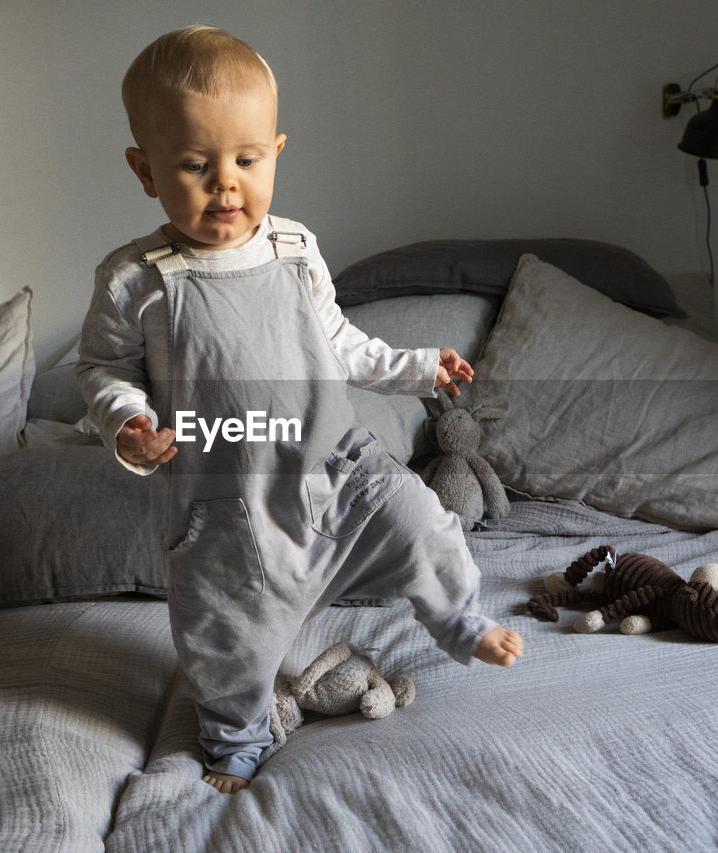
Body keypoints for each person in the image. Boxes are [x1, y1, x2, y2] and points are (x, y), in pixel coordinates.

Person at [77, 25, 522, 795]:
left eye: (247, 161)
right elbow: (103, 370)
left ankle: (459, 620)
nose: (226, 184)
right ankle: (237, 736)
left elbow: (341, 341)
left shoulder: (294, 247)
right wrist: (127, 422)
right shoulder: (136, 279)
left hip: (336, 469)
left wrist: (419, 366)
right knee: (225, 635)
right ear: (144, 170)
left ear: (276, 150)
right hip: (227, 502)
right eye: (194, 164)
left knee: (421, 515)